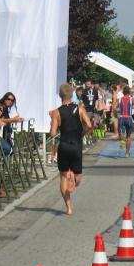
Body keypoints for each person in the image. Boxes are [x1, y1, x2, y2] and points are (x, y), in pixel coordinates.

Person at [49, 84, 91, 215]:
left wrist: (53, 120)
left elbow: (52, 133)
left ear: (60, 96)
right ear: (72, 94)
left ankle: (68, 208)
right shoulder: (79, 108)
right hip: (76, 145)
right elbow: (89, 125)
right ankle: (73, 179)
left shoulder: (56, 112)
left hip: (64, 145)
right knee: (78, 178)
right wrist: (82, 134)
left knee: (62, 177)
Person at [117, 86, 134, 156]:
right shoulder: (132, 99)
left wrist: (118, 112)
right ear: (129, 92)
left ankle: (122, 141)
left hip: (122, 118)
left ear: (123, 92)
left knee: (121, 134)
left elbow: (114, 107)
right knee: (129, 136)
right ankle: (127, 153)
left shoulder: (119, 99)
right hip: (129, 118)